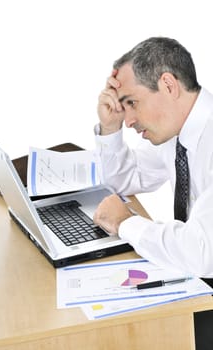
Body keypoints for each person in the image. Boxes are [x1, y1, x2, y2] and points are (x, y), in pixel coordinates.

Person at [93, 37, 213, 350]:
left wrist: (126, 224)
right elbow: (124, 180)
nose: (129, 119)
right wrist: (111, 128)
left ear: (169, 85)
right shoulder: (180, 133)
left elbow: (201, 253)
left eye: (132, 102)